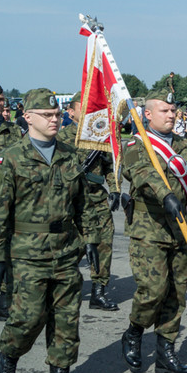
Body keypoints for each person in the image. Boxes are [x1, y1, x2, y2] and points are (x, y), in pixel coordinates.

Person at [0, 88, 100, 373]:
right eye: (48, 115)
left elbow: (84, 204)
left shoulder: (69, 155)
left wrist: (91, 238)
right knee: (29, 316)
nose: (55, 119)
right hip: (26, 252)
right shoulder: (9, 158)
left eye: (57, 114)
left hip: (66, 250)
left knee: (67, 318)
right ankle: (8, 357)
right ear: (28, 117)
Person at [119, 89, 187, 373]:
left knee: (176, 293)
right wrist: (167, 195)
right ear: (147, 114)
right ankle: (134, 331)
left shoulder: (185, 146)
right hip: (149, 229)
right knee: (153, 291)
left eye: (174, 111)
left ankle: (166, 352)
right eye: (165, 111)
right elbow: (144, 175)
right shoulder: (136, 145)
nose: (172, 115)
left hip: (180, 229)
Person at [58, 91, 121, 311]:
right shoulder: (62, 138)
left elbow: (109, 167)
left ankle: (98, 292)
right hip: (72, 202)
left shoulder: (99, 135)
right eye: (82, 108)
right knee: (71, 249)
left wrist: (114, 188)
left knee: (104, 245)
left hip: (97, 199)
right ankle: (59, 291)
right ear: (71, 112)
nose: (87, 112)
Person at [0, 79, 24, 321]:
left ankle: (5, 301)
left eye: (1, 99)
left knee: (7, 248)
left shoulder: (14, 131)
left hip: (5, 203)